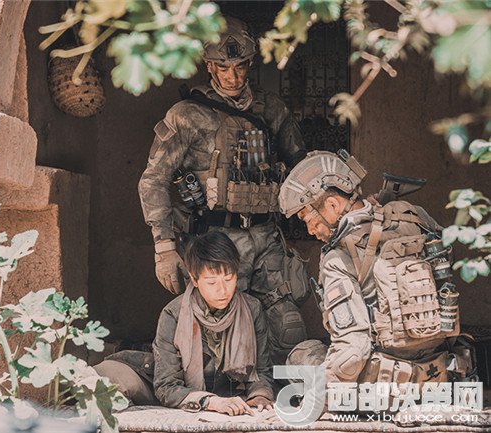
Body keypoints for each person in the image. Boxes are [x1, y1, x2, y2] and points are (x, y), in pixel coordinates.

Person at [138, 15, 309, 364]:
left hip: (266, 236)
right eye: (223, 67)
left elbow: (302, 169)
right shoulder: (187, 115)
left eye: (240, 66)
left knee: (286, 326)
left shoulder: (271, 109)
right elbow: (154, 179)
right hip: (215, 240)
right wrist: (164, 247)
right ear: (209, 66)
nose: (232, 76)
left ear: (250, 64)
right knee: (218, 338)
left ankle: (280, 391)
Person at [278, 150, 474, 389]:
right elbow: (448, 264)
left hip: (386, 383)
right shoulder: (414, 216)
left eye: (309, 219)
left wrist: (325, 396)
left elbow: (353, 351)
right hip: (441, 370)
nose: (310, 230)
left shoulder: (337, 258)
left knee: (300, 357)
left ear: (332, 204)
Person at [94, 231, 274, 415]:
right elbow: (166, 386)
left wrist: (260, 395)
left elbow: (261, 371)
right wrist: (209, 401)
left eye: (228, 279)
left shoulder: (252, 309)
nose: (222, 290)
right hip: (169, 388)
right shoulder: (173, 313)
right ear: (194, 279)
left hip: (223, 392)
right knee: (103, 378)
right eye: (211, 282)